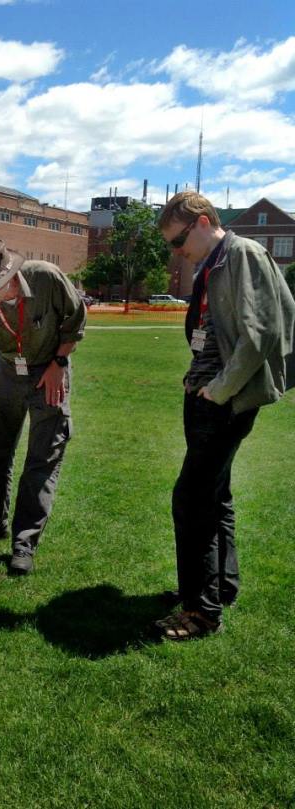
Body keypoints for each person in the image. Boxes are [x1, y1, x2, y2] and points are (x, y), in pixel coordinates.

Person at [156, 191, 295, 640]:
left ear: (201, 221)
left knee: (192, 500)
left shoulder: (242, 254)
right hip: (210, 397)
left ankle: (201, 613)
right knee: (215, 497)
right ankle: (221, 588)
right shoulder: (216, 260)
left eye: (178, 241)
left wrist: (217, 390)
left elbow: (261, 335)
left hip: (225, 402)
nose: (177, 253)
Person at [0, 238, 86, 575]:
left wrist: (59, 363)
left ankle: (24, 542)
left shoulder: (46, 278)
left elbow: (76, 320)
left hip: (50, 370)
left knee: (41, 460)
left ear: (10, 277)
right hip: (8, 371)